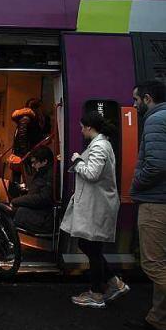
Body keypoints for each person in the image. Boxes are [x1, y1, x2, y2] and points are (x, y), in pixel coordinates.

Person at [60, 111, 129, 309]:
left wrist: (77, 160)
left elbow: (92, 173)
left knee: (91, 247)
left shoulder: (99, 145)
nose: (81, 131)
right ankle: (114, 284)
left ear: (89, 127)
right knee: (90, 246)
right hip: (97, 204)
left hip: (97, 206)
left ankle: (97, 294)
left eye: (82, 127)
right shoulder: (102, 144)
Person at [128, 80, 166, 330]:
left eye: (136, 99)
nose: (133, 104)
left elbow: (156, 165)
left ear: (148, 98)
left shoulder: (155, 120)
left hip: (156, 202)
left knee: (153, 264)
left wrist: (135, 182)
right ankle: (158, 320)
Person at [12, 146, 55, 234]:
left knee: (12, 213)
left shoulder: (48, 176)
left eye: (34, 162)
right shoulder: (44, 172)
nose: (32, 165)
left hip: (44, 219)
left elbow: (42, 198)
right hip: (42, 214)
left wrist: (16, 201)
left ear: (44, 161)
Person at [10, 99, 46, 195]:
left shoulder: (26, 118)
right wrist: (25, 154)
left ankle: (17, 198)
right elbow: (22, 136)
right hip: (24, 153)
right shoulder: (27, 118)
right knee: (23, 178)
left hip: (22, 152)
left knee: (19, 178)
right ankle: (17, 200)